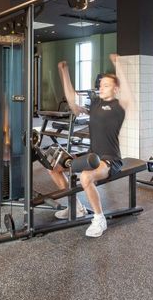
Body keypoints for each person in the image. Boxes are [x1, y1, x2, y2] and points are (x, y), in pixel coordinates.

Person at [49, 54, 132, 238]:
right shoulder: (95, 103)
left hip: (110, 159)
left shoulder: (119, 106)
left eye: (106, 85)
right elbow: (73, 103)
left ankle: (99, 218)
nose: (101, 87)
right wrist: (65, 73)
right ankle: (76, 207)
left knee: (86, 176)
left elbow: (127, 92)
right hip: (91, 155)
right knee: (54, 168)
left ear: (116, 89)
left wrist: (118, 64)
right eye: (100, 84)